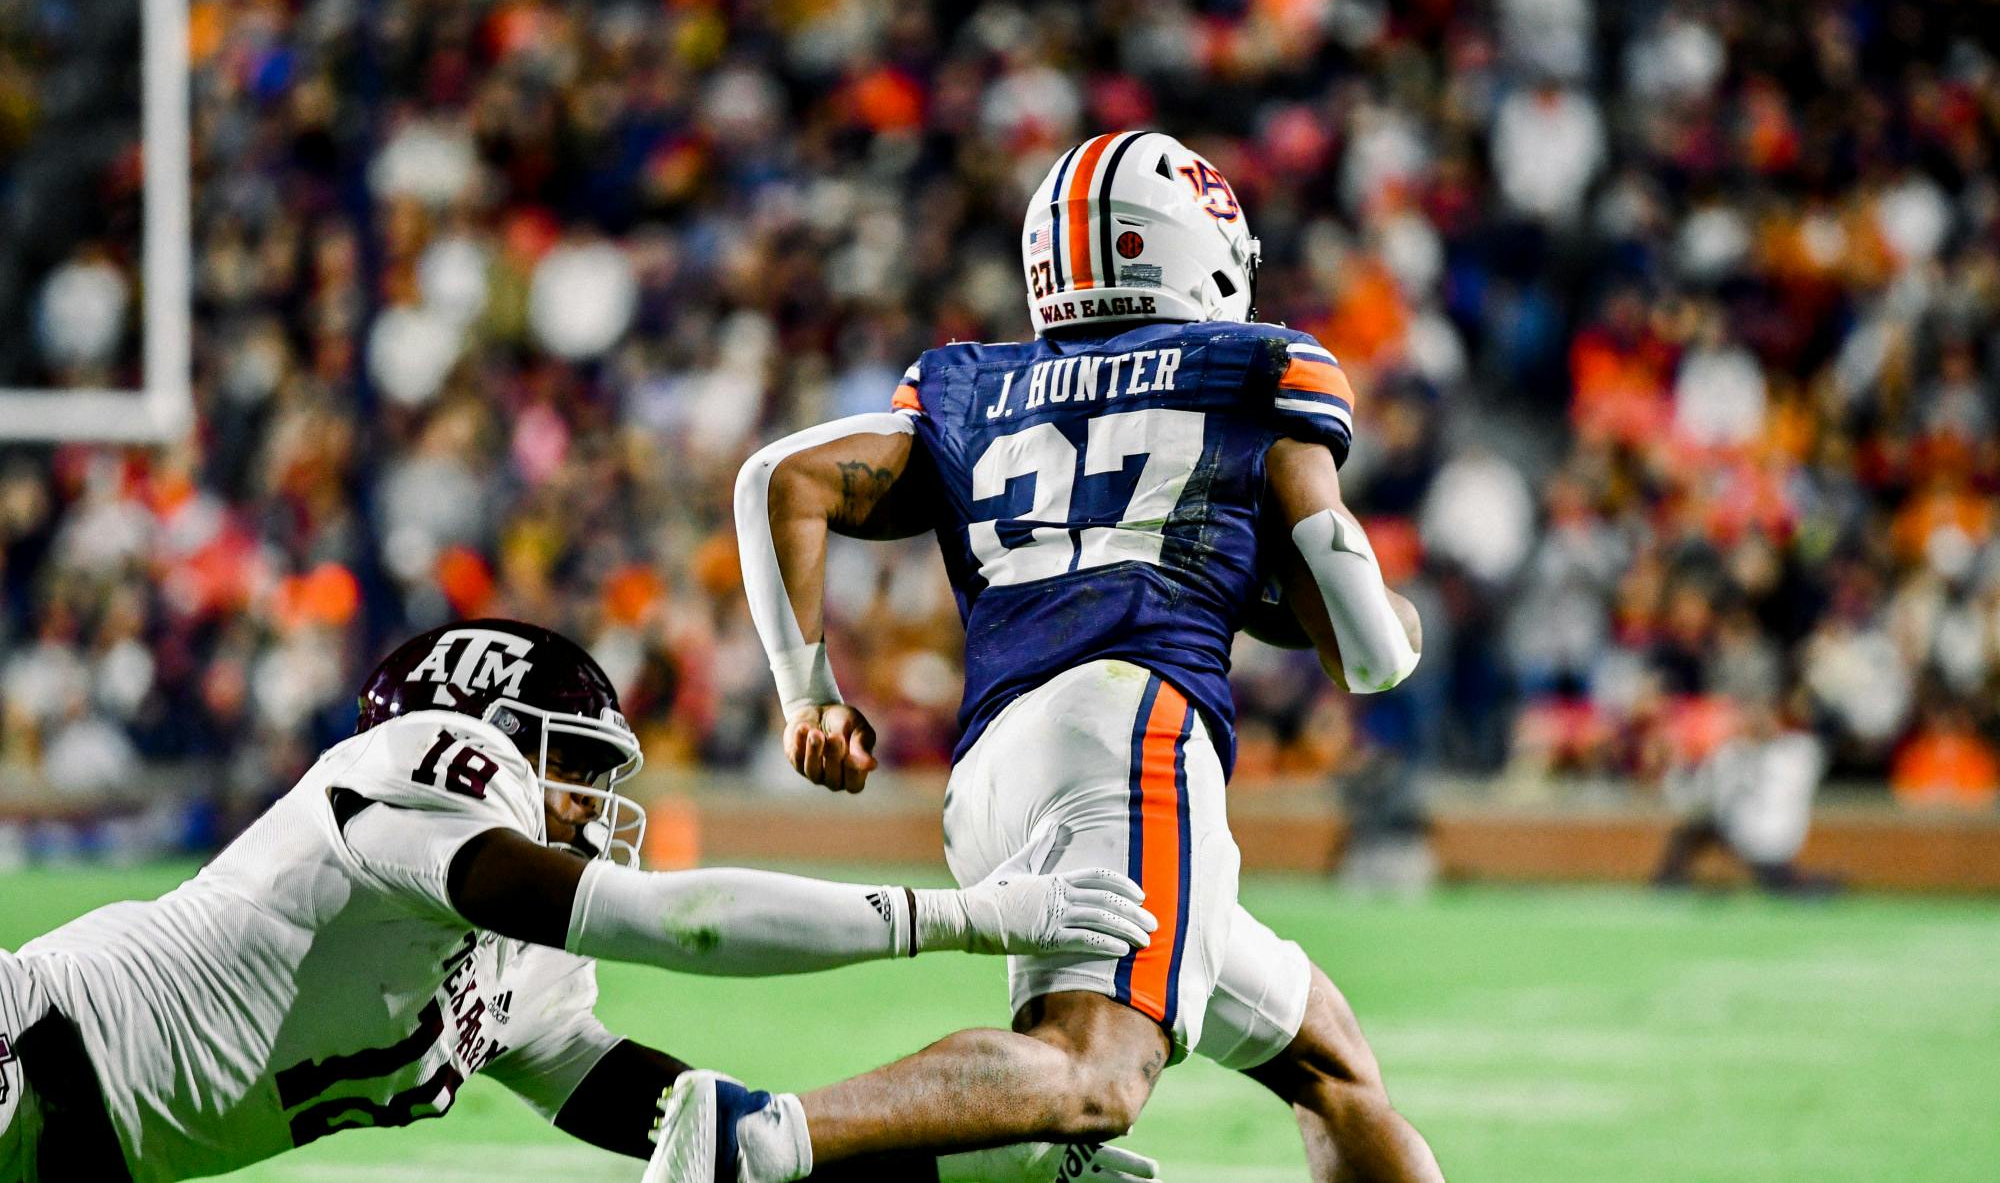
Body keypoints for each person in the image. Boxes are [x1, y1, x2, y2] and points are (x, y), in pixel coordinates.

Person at [686, 132, 1443, 1181]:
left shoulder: (969, 385)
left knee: (1327, 1059)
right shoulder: (1253, 367)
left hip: (992, 773)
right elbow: (1364, 651)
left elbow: (780, 475)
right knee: (1090, 1076)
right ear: (1198, 250)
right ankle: (765, 1141)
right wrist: (1395, 622)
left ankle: (960, 1161)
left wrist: (807, 693)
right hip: (1127, 739)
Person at [0, 618, 1161, 1182]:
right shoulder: (416, 766)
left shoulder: (512, 967)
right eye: (576, 765)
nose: (594, 803)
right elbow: (674, 922)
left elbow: (711, 1135)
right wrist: (961, 916)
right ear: (482, 730)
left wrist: (967, 1161)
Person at [1653, 695, 1835, 895]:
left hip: (1765, 838)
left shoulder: (1791, 752)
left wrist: (1677, 767)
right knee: (1695, 830)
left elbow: (1702, 795)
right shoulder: (1797, 750)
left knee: (1778, 882)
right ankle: (1673, 881)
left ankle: (1670, 883)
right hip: (1753, 835)